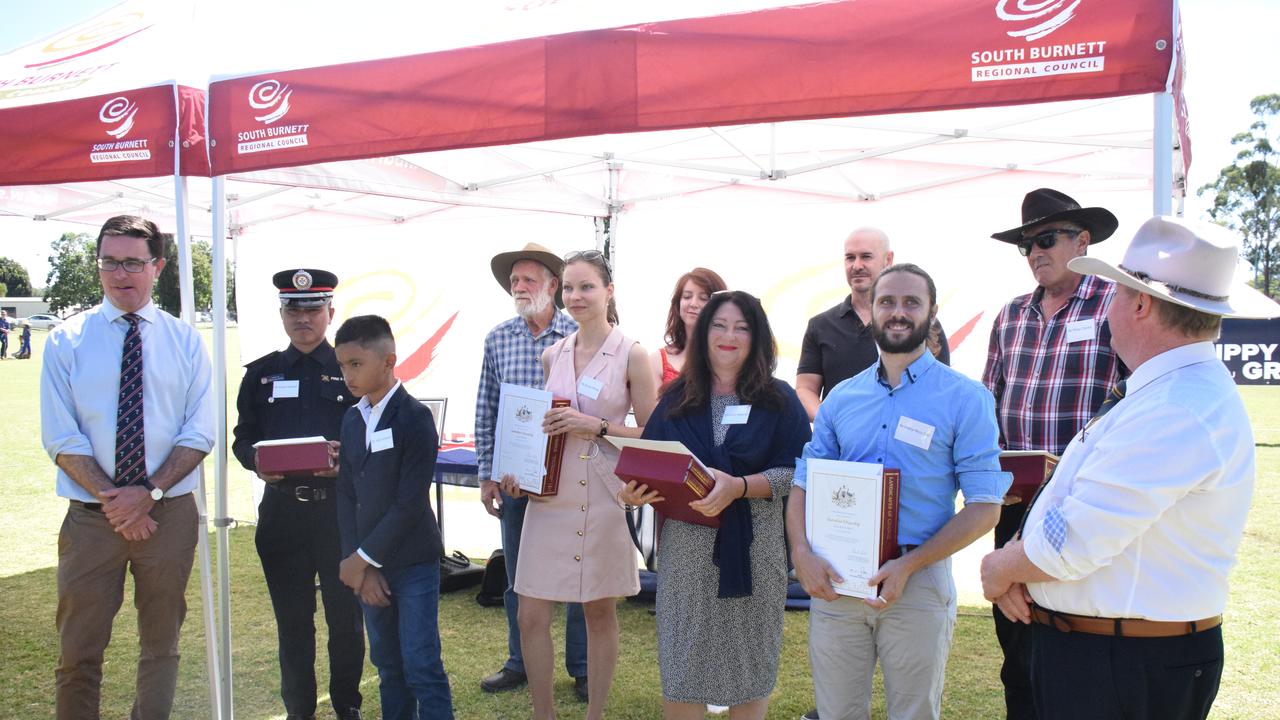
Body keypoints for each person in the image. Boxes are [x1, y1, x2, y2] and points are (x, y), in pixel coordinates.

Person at [981, 217, 1280, 720]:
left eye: (1116, 292)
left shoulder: (1175, 406)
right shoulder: (1167, 392)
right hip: (1114, 654)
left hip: (1123, 664)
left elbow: (1070, 541)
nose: (1107, 305)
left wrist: (999, 568)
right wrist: (1020, 565)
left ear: (1140, 304)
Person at [787, 263, 1009, 720]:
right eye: (888, 302)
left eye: (912, 302)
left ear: (932, 313)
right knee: (837, 713)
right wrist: (801, 555)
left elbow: (985, 508)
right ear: (872, 311)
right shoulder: (841, 400)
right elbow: (804, 481)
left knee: (913, 713)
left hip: (918, 582)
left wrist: (908, 565)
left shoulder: (965, 398)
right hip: (838, 582)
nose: (898, 312)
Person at [40, 215, 215, 719]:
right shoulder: (65, 340)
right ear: (98, 267)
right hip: (93, 519)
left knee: (161, 647)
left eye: (133, 262)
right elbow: (61, 436)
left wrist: (149, 494)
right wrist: (116, 501)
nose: (122, 273)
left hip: (169, 516)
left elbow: (199, 431)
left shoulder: (185, 341)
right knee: (77, 652)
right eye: (110, 262)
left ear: (156, 267)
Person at [622, 290, 810, 719]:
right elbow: (649, 464)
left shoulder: (779, 400)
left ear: (757, 337)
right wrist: (630, 493)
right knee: (683, 668)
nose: (729, 336)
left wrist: (740, 486)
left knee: (749, 668)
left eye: (742, 327)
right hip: (687, 556)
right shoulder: (676, 398)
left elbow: (800, 473)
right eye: (719, 325)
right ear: (703, 334)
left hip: (755, 553)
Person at [981, 187, 1124, 720]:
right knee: (1016, 645)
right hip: (1016, 502)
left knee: (1075, 643)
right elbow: (987, 403)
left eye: (1046, 239)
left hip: (1082, 502)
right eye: (1026, 244)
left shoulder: (1117, 304)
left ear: (1082, 242)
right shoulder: (1011, 314)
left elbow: (1133, 401)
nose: (1035, 252)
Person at [499, 249, 657, 720]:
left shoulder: (633, 353)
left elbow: (652, 434)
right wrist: (518, 470)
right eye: (568, 288)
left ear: (608, 291)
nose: (575, 297)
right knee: (530, 611)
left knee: (598, 611)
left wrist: (597, 426)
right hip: (549, 495)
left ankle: (595, 714)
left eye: (586, 286)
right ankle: (542, 713)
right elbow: (541, 428)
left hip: (604, 497)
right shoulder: (553, 354)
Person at [232, 268, 365, 720]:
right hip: (283, 514)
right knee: (293, 624)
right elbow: (242, 437)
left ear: (330, 312)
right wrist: (256, 461)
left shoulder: (353, 371)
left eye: (312, 309)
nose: (302, 318)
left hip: (338, 516)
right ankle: (299, 710)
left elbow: (375, 437)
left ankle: (347, 705)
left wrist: (344, 458)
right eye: (293, 309)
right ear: (282, 313)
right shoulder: (262, 373)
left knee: (345, 621)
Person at [474, 242, 587, 698]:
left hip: (571, 481)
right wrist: (486, 474)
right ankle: (519, 661)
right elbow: (486, 409)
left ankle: (582, 669)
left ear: (553, 286)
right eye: (514, 281)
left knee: (579, 577)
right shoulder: (497, 338)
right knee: (519, 576)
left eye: (528, 280)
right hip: (516, 481)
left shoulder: (581, 336)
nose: (518, 288)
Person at [334, 315, 453, 720]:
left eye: (356, 364)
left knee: (421, 664)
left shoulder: (414, 417)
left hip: (413, 562)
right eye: (342, 365)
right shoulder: (352, 419)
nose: (347, 374)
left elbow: (409, 501)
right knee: (387, 666)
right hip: (368, 565)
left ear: (388, 361)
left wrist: (361, 558)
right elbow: (346, 493)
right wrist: (360, 565)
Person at [796, 227, 951, 422]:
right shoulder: (821, 325)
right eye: (850, 258)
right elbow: (805, 388)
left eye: (866, 257)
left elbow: (939, 388)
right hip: (841, 447)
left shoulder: (919, 325)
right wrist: (831, 424)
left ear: (888, 259)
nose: (857, 265)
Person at [649, 267, 727, 386]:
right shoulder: (657, 361)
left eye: (703, 298)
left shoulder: (730, 362)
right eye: (687, 296)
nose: (693, 304)